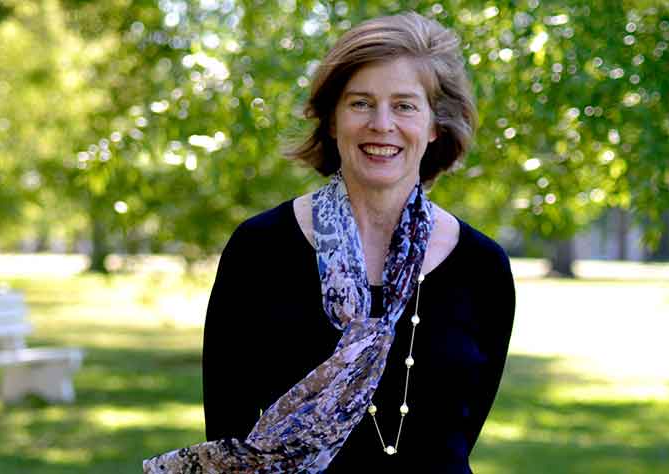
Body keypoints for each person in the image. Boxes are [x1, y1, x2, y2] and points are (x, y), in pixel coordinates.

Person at [143, 11, 515, 474]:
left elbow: (462, 435)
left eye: (405, 105)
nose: (382, 124)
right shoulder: (260, 250)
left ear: (435, 125)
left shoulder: (482, 268)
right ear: (332, 120)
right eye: (360, 103)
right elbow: (227, 434)